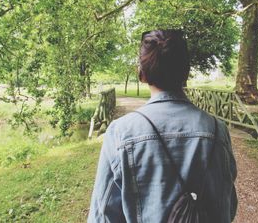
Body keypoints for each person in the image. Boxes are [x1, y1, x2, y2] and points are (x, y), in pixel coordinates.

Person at [88, 29, 237, 223]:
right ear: (186, 72)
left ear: (141, 74)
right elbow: (227, 205)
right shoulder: (217, 130)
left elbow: (103, 216)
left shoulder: (121, 133)